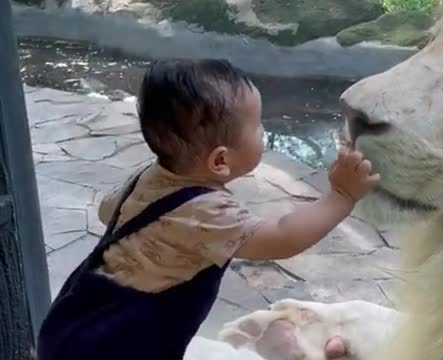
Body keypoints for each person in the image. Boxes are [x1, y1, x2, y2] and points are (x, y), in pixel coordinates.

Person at [37, 58, 378, 360]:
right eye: (259, 126)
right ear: (220, 161)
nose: (264, 131)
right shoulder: (206, 213)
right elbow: (282, 238)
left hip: (73, 321)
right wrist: (341, 196)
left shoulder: (148, 175)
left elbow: (107, 211)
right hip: (115, 346)